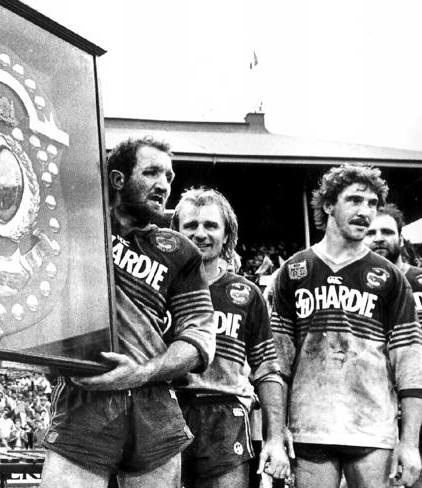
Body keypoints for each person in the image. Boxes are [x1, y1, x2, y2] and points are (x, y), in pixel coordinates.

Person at [40, 137, 216, 488]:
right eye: (151, 172)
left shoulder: (180, 250)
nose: (164, 184)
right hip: (86, 398)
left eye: (168, 175)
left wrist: (140, 373)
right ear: (118, 179)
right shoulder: (75, 228)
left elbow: (199, 337)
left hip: (155, 404)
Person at [271, 164, 422, 488]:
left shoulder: (390, 277)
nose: (364, 211)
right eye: (354, 200)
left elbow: (410, 364)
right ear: (328, 205)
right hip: (309, 424)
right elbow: (277, 362)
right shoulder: (295, 270)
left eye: (371, 204)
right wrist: (274, 432)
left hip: (372, 427)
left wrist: (409, 443)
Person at [170, 188, 290, 487]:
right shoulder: (160, 290)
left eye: (210, 225)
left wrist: (275, 438)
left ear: (227, 235)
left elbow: (267, 369)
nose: (200, 233)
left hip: (225, 414)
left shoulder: (247, 294)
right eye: (191, 226)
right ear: (176, 232)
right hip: (166, 408)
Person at [364, 204, 422, 322]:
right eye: (370, 233)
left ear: (401, 240)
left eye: (387, 232)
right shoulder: (353, 289)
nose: (378, 238)